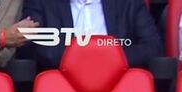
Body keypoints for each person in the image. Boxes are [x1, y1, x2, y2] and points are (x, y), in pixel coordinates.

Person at [22, 0, 162, 70]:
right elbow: (32, 48)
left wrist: (110, 59)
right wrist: (81, 60)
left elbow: (153, 47)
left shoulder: (127, 2)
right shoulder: (41, 2)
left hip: (120, 86)